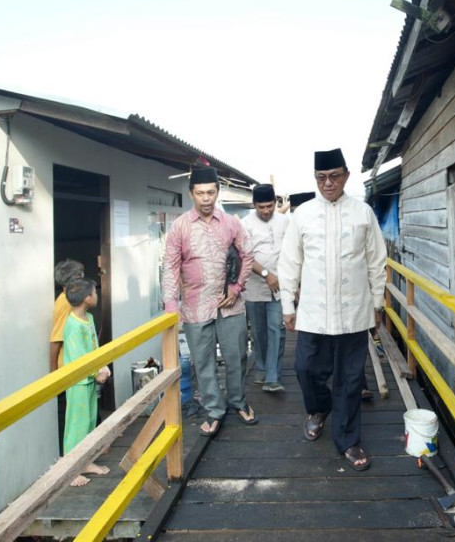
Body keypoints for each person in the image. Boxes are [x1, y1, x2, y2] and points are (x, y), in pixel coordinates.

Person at [278, 148, 387, 471]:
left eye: (334, 176)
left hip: (354, 311)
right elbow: (289, 264)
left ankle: (349, 440)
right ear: (315, 179)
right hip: (312, 312)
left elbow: (376, 261)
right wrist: (288, 305)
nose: (328, 183)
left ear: (347, 176)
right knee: (306, 369)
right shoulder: (303, 214)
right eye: (322, 177)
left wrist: (377, 305)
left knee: (351, 379)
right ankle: (319, 408)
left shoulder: (363, 213)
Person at [163, 166, 257, 437]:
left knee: (236, 356)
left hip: (231, 305)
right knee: (202, 362)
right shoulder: (180, 226)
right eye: (200, 193)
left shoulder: (232, 223)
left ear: (218, 192)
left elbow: (247, 255)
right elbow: (170, 266)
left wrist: (237, 286)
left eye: (211, 192)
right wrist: (171, 306)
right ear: (191, 193)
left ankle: (238, 401)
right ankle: (214, 410)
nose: (206, 198)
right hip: (194, 305)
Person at [62, 278, 111, 487]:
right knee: (77, 425)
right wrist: (95, 372)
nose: (97, 296)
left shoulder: (89, 318)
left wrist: (103, 365)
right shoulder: (72, 325)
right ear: (87, 299)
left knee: (90, 421)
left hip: (89, 379)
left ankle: (86, 462)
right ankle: (70, 471)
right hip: (79, 382)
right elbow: (79, 356)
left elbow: (94, 347)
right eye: (95, 293)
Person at [241, 184, 289, 392]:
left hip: (281, 286)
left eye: (269, 206)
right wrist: (266, 274)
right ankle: (261, 366)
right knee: (259, 332)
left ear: (276, 203)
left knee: (276, 329)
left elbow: (293, 252)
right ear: (254, 205)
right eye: (261, 207)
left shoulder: (286, 222)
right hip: (254, 288)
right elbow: (246, 256)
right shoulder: (245, 224)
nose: (266, 211)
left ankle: (272, 377)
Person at [50, 259, 85, 454]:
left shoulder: (70, 301)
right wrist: (52, 372)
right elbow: (55, 340)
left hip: (75, 366)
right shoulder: (64, 303)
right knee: (70, 415)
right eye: (80, 277)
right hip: (67, 367)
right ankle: (71, 455)